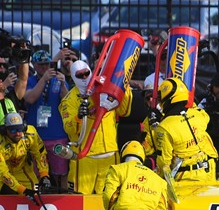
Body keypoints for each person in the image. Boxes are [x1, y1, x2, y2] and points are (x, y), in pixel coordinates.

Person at [59, 60, 132, 194]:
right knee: (79, 200)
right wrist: (78, 117)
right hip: (85, 159)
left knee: (110, 198)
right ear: (74, 77)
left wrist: (124, 87)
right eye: (80, 75)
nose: (85, 77)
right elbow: (68, 129)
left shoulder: (107, 88)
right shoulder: (69, 100)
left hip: (110, 155)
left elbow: (124, 111)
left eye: (87, 73)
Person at [154, 77, 219, 185]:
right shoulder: (199, 115)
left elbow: (164, 163)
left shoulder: (164, 127)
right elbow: (200, 112)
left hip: (186, 179)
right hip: (209, 172)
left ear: (167, 98)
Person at [22, 50, 69, 192]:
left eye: (46, 64)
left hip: (57, 135)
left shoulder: (59, 79)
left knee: (61, 173)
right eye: (40, 64)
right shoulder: (29, 80)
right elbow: (29, 98)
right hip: (36, 136)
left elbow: (68, 101)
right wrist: (43, 80)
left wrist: (63, 85)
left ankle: (63, 199)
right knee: (38, 174)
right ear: (34, 65)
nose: (44, 67)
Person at [0, 112, 51, 200]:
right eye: (13, 130)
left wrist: (44, 174)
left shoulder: (30, 134)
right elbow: (2, 172)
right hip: (2, 172)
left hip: (22, 169)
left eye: (19, 129)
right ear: (5, 130)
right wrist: (21, 189)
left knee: (35, 194)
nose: (17, 134)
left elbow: (40, 154)